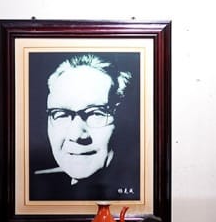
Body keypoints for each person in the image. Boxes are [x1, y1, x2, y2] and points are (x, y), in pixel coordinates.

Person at [30, 54, 140, 202]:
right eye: (61, 114)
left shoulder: (140, 191)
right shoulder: (36, 188)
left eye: (96, 113)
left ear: (124, 118)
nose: (75, 135)